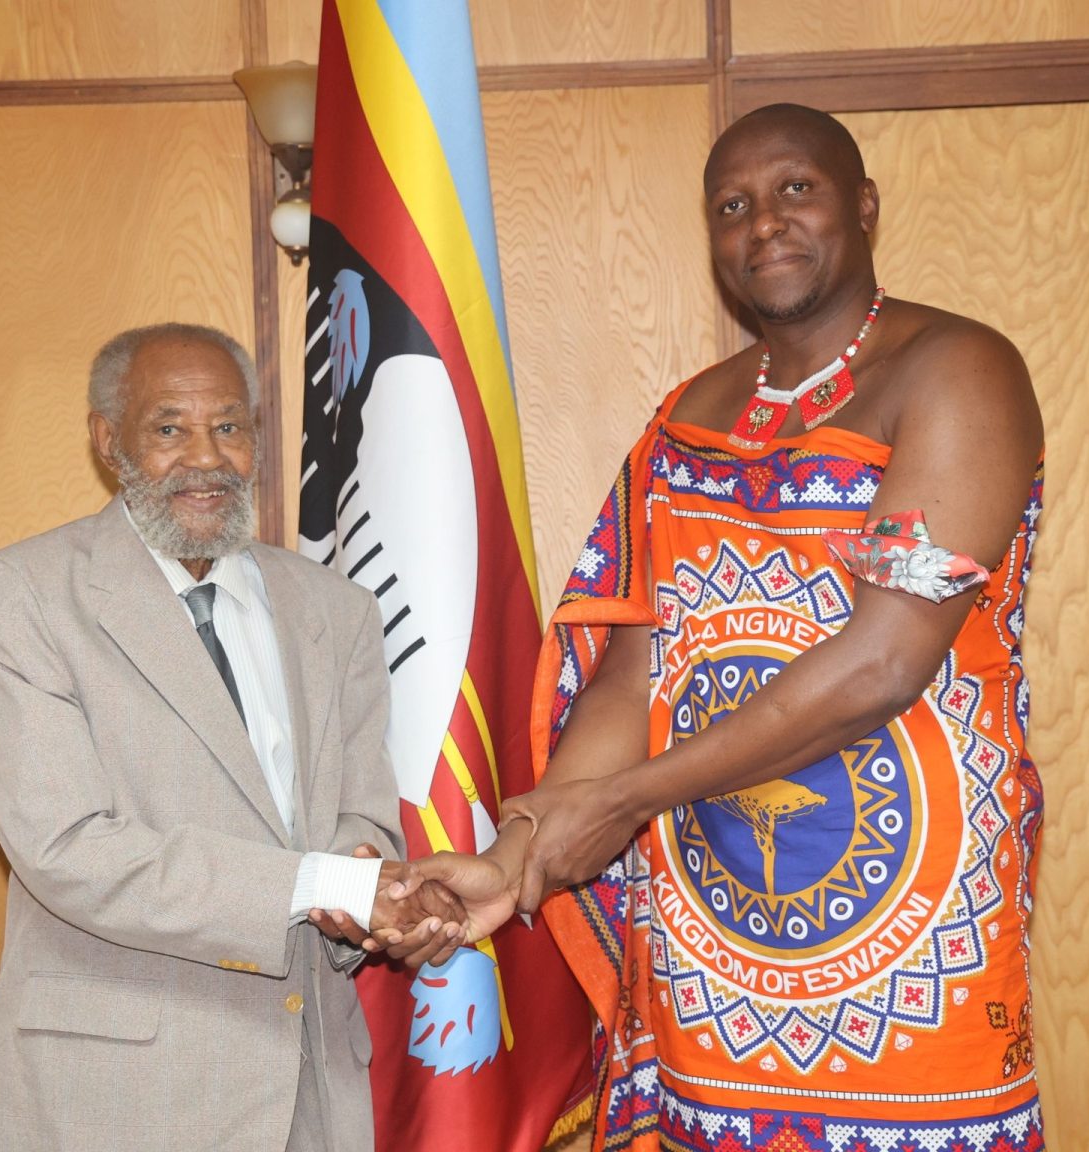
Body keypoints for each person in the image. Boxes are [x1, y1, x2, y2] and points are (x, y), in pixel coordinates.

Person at [413, 105, 1047, 1150]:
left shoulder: (957, 369)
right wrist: (521, 848)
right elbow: (635, 675)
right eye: (732, 206)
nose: (764, 223)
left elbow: (885, 663)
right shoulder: (685, 418)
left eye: (796, 189)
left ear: (864, 205)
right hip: (712, 932)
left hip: (914, 928)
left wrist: (623, 801)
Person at [0, 323, 462, 1152]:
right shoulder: (26, 594)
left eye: (228, 426)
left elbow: (362, 820)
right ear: (107, 440)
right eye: (169, 429)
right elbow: (66, 847)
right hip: (109, 1104)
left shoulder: (337, 610)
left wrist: (381, 899)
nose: (206, 458)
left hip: (310, 1091)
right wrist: (322, 883)